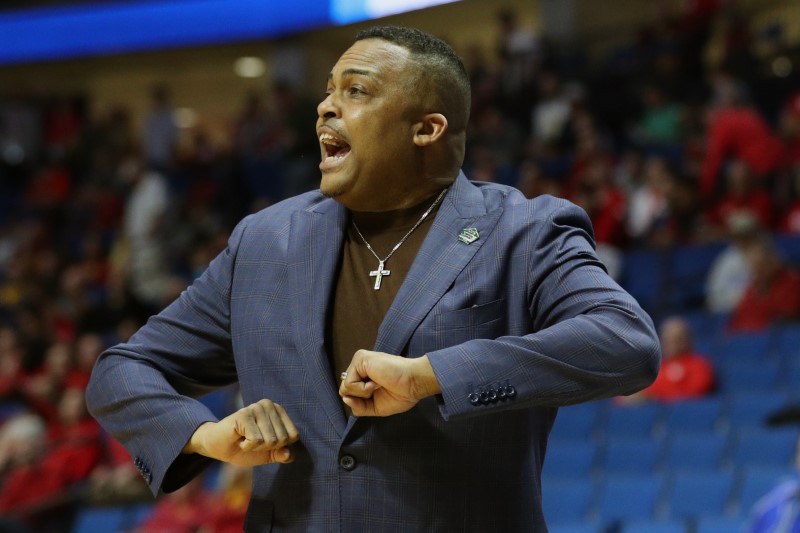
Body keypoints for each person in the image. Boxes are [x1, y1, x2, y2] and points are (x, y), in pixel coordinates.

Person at [86, 26, 660, 531]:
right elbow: (123, 370)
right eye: (328, 90)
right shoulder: (264, 241)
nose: (325, 108)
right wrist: (205, 436)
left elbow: (625, 342)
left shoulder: (523, 229)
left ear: (427, 128)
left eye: (355, 90)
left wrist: (431, 376)